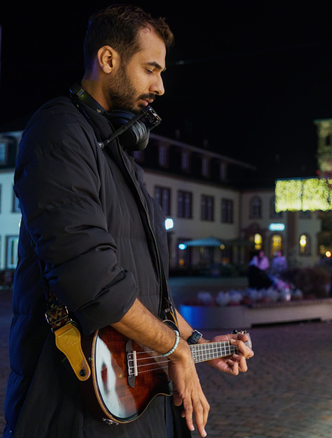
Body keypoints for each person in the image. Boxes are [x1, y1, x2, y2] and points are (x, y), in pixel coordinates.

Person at [3, 5, 253, 438]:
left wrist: (200, 345)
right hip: (72, 406)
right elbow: (92, 282)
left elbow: (147, 291)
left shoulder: (119, 155)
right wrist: (174, 350)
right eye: (151, 69)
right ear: (108, 60)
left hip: (136, 406)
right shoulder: (58, 133)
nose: (160, 86)